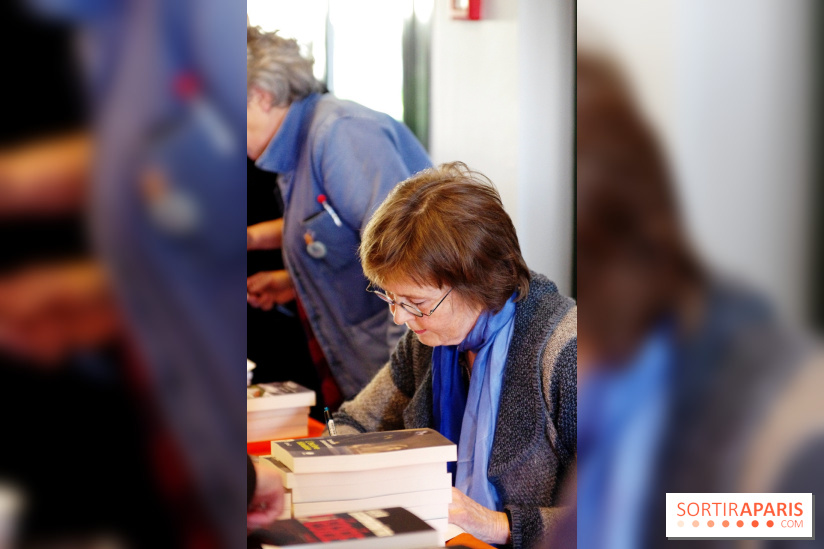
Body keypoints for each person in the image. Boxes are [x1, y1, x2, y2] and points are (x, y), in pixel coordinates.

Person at [331, 162, 577, 549]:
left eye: (416, 303)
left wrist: (497, 524)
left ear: (478, 282)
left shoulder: (570, 353)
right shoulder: (430, 340)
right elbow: (355, 423)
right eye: (390, 298)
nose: (399, 318)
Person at [246, 25, 432, 400]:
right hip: (365, 375)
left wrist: (400, 394)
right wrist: (295, 281)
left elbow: (412, 262)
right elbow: (337, 231)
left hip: (398, 377)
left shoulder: (340, 133)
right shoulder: (293, 152)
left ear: (261, 96)